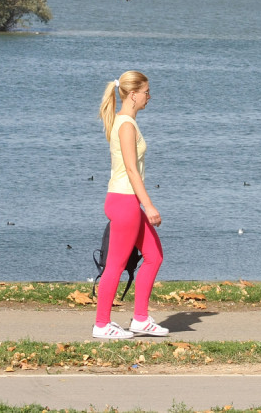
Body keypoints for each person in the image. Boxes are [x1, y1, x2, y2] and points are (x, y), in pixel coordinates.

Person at [93, 71, 168, 339]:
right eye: (147, 92)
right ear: (133, 94)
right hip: (125, 201)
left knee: (154, 256)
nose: (150, 97)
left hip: (127, 202)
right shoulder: (125, 125)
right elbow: (131, 170)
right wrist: (149, 206)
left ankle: (140, 320)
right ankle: (102, 324)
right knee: (115, 264)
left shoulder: (127, 123)